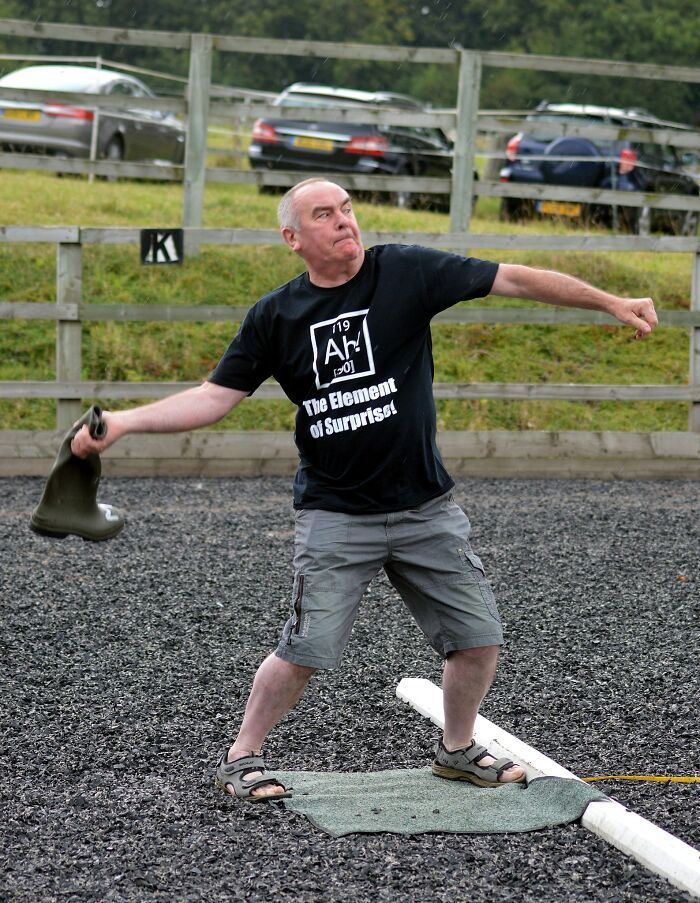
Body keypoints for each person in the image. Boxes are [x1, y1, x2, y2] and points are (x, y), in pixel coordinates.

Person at [72, 177, 658, 802]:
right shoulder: (276, 316)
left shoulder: (405, 271)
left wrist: (609, 301)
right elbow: (215, 398)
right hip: (336, 513)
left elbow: (511, 277)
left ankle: (457, 751)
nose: (344, 222)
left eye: (347, 209)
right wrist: (126, 423)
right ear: (293, 238)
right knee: (305, 649)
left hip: (425, 507)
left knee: (478, 638)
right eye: (324, 215)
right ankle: (243, 756)